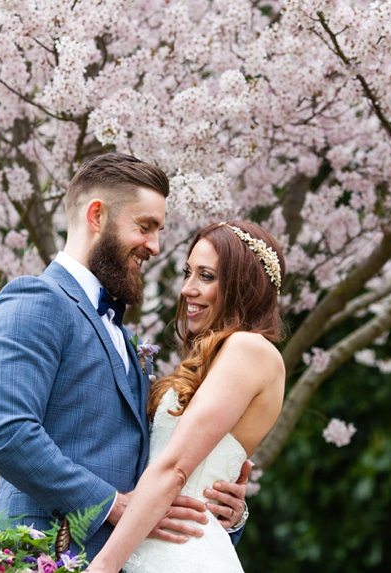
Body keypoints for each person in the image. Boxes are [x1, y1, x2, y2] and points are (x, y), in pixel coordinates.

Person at [0, 154, 250, 562]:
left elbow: (151, 468)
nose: (154, 246)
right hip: (41, 557)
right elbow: (4, 431)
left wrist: (224, 513)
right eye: (145, 226)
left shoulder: (126, 338)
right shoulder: (35, 300)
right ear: (97, 216)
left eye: (158, 231)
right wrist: (113, 506)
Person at [85, 220, 287, 573]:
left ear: (243, 284)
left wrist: (102, 567)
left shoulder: (249, 349)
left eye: (206, 276)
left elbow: (176, 468)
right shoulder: (222, 357)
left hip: (176, 555)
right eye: (187, 273)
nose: (186, 289)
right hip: (155, 547)